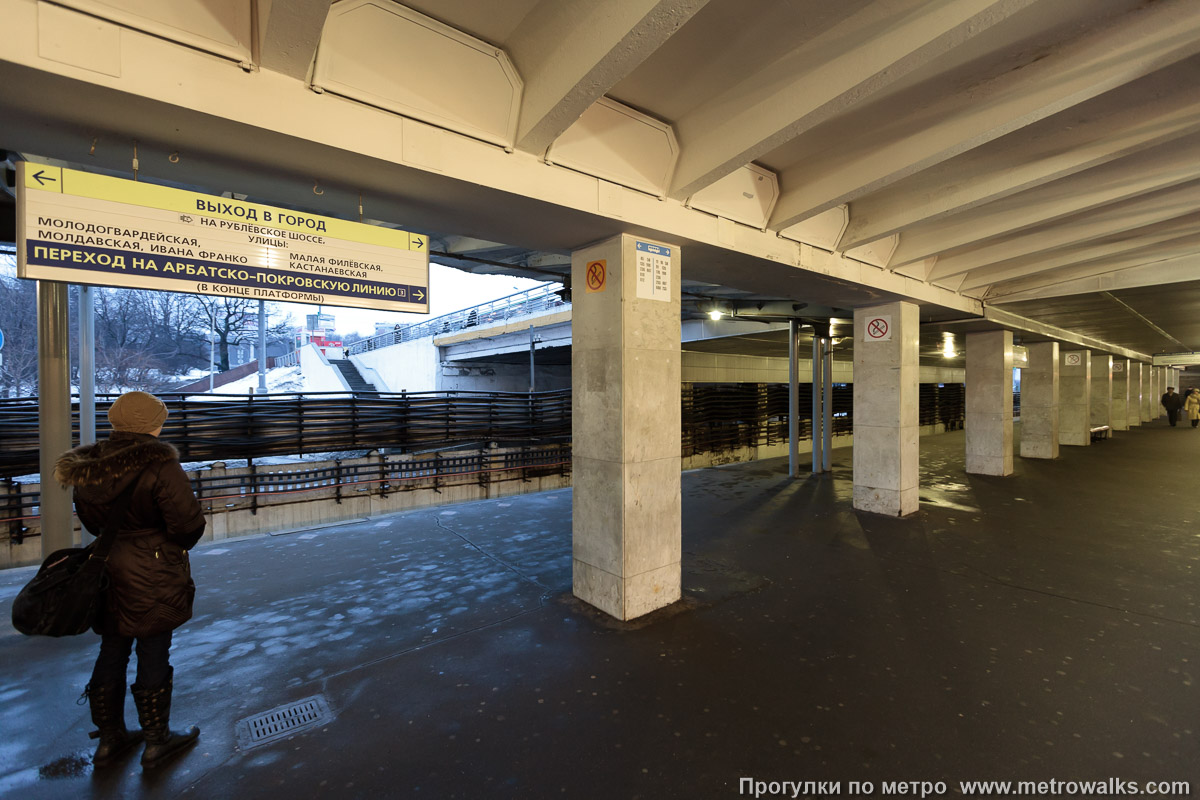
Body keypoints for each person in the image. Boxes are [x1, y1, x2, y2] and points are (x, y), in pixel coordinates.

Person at [55, 391, 206, 770]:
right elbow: (187, 526)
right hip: (153, 570)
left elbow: (92, 523)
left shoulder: (90, 464)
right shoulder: (160, 464)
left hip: (106, 568)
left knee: (112, 648)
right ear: (154, 423)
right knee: (153, 650)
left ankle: (110, 739)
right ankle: (157, 741)